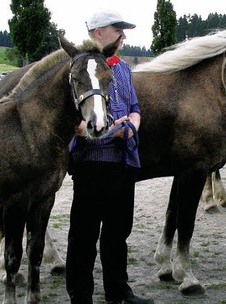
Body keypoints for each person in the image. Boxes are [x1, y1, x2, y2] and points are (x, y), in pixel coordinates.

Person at [65, 10, 152, 304]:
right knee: (84, 235)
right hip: (90, 164)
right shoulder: (76, 68)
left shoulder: (124, 69)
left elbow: (135, 107)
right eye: (119, 30)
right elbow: (69, 121)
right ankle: (81, 295)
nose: (124, 36)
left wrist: (133, 125)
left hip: (124, 163)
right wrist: (109, 130)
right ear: (98, 33)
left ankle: (118, 290)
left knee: (118, 232)